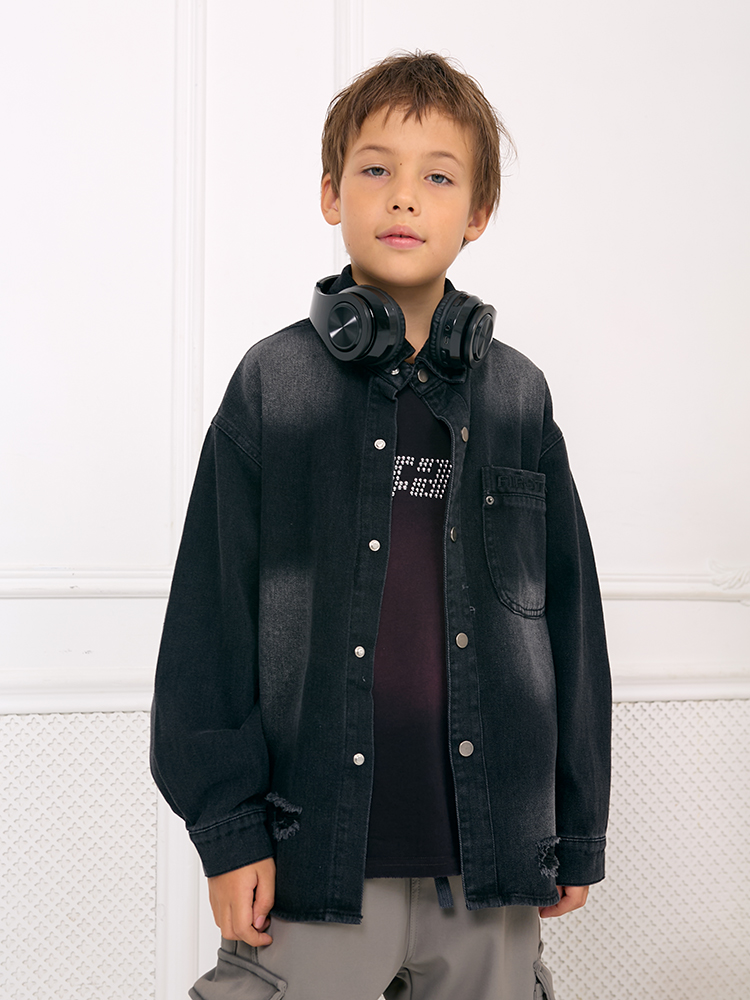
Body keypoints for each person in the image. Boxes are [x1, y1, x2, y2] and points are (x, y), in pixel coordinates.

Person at [150, 51, 611, 1000]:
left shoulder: (519, 398)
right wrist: (227, 831)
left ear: (478, 212)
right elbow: (209, 619)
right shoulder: (274, 387)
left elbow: (570, 623)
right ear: (331, 193)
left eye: (438, 176)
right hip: (314, 857)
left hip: (488, 861)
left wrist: (574, 826)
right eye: (375, 169)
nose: (404, 196)